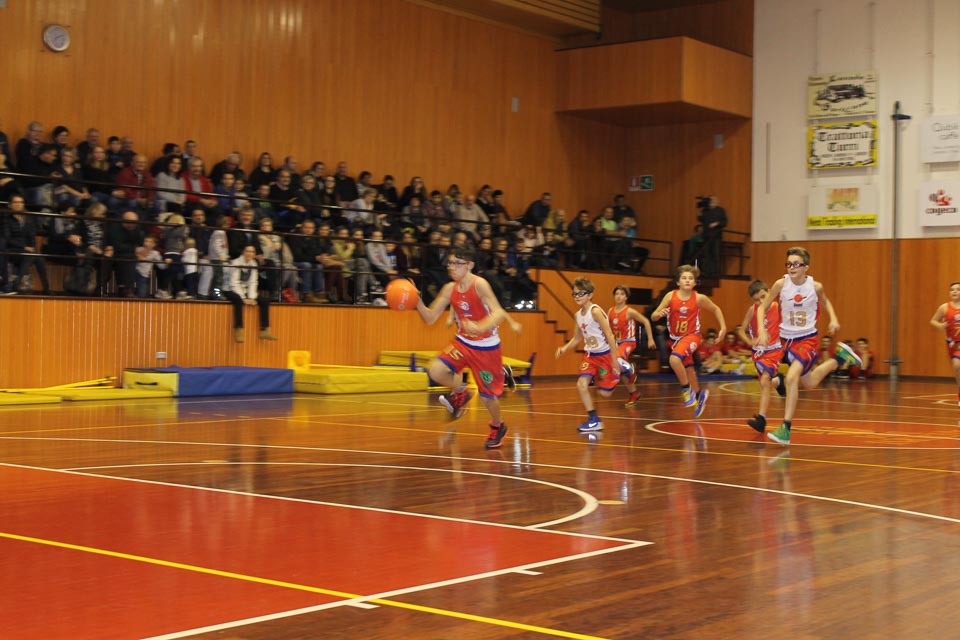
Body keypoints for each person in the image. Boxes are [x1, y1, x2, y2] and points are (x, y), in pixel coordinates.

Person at [756, 247, 863, 445]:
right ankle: (840, 358)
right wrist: (762, 330)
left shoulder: (815, 287)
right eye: (788, 264)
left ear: (806, 267)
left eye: (796, 264)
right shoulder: (781, 284)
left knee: (791, 378)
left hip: (806, 339)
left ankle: (786, 428)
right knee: (810, 383)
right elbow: (762, 306)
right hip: (786, 340)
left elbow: (826, 302)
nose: (791, 267)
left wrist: (833, 319)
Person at [414, 245, 512, 449]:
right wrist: (416, 302)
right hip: (463, 342)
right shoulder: (449, 288)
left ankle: (498, 425)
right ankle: (461, 392)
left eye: (457, 263)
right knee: (436, 370)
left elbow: (499, 313)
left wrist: (479, 327)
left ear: (470, 265)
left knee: (487, 397)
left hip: (486, 347)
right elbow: (430, 318)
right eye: (450, 263)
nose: (452, 267)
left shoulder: (480, 285)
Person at [650, 264, 726, 418]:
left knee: (674, 359)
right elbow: (653, 316)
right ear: (678, 282)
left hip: (692, 336)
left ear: (695, 282)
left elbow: (716, 309)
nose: (687, 280)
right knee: (689, 369)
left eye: (691, 278)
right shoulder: (670, 296)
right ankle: (699, 395)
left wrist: (723, 328)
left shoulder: (699, 298)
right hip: (676, 339)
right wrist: (659, 314)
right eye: (684, 278)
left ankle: (686, 390)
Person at [555, 277, 621, 432]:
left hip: (605, 354)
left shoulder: (595, 311)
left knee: (605, 394)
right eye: (575, 294)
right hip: (590, 356)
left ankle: (623, 368)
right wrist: (564, 348)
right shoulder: (577, 315)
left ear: (590, 295)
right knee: (581, 385)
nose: (577, 296)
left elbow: (610, 335)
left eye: (581, 293)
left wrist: (615, 359)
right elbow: (577, 338)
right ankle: (594, 420)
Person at [736, 279, 786, 433]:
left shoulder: (778, 307)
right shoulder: (753, 310)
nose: (761, 301)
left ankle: (761, 419)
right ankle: (778, 381)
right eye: (757, 299)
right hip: (758, 352)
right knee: (765, 383)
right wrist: (749, 341)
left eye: (763, 296)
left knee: (764, 380)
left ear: (770, 292)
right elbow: (741, 330)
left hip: (774, 349)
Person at [608, 285, 656, 407]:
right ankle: (633, 393)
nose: (619, 296)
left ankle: (630, 369)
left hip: (628, 342)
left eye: (622, 294)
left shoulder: (629, 311)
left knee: (617, 359)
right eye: (617, 294)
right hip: (616, 343)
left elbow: (646, 321)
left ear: (626, 297)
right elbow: (607, 328)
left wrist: (650, 338)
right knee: (620, 370)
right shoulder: (610, 311)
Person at [223, 244, 278, 343]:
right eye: (247, 251)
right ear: (243, 252)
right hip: (230, 289)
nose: (249, 253)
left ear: (254, 254)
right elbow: (234, 283)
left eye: (252, 252)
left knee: (264, 301)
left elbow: (253, 282)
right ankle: (239, 329)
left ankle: (264, 330)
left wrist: (252, 297)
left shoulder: (253, 264)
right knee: (238, 301)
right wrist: (244, 298)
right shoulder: (236, 263)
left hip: (245, 290)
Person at [930, 281, 960, 406]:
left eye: (958, 289)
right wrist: (940, 325)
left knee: (957, 365)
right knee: (957, 368)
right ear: (949, 293)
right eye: (952, 289)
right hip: (952, 343)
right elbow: (933, 320)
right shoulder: (944, 307)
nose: (955, 291)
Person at [697, 195, 727, 275]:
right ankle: (706, 271)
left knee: (715, 254)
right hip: (706, 235)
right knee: (706, 254)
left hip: (716, 236)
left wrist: (717, 223)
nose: (713, 201)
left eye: (714, 200)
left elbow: (725, 222)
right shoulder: (705, 210)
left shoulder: (721, 210)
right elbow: (700, 219)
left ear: (717, 201)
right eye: (711, 200)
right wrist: (700, 209)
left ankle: (715, 272)